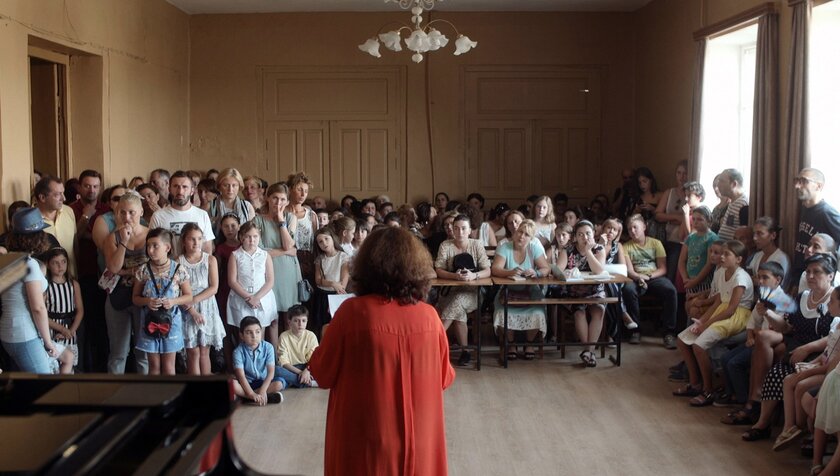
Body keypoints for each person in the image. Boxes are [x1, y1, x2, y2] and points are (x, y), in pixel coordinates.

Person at [309, 226, 455, 476]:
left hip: (367, 435)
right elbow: (445, 377)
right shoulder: (430, 317)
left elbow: (322, 373)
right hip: (419, 437)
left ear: (365, 267)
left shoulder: (351, 313)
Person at [743, 253, 838, 441]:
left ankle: (803, 431)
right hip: (796, 350)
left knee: (792, 377)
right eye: (808, 271)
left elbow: (834, 337)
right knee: (776, 374)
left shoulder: (835, 300)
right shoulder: (802, 297)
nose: (810, 276)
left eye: (816, 272)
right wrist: (768, 314)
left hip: (821, 353)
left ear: (830, 275)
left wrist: (808, 348)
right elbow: (786, 326)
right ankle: (764, 424)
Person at [673, 240, 753, 406]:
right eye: (721, 253)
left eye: (727, 254)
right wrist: (702, 321)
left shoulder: (740, 277)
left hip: (737, 316)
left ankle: (708, 391)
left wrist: (707, 324)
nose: (722, 257)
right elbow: (719, 301)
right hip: (721, 312)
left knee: (699, 345)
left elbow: (731, 309)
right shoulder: (722, 272)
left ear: (738, 259)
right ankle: (695, 384)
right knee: (682, 340)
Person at [1, 208, 74, 374]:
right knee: (44, 387)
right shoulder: (29, 264)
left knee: (67, 356)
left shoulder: (8, 260)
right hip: (24, 334)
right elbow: (38, 308)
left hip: (9, 330)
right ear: (37, 236)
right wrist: (48, 342)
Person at [719, 262, 796, 419]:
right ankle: (732, 394)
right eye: (759, 277)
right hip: (756, 339)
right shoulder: (764, 296)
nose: (760, 281)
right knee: (725, 358)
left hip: (768, 342)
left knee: (735, 364)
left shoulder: (784, 301)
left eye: (765, 278)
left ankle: (746, 402)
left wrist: (759, 331)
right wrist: (750, 336)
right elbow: (753, 321)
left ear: (778, 280)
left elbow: (780, 329)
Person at [772, 287, 840, 452]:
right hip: (823, 366)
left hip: (830, 373)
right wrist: (812, 363)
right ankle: (789, 427)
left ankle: (801, 427)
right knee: (788, 380)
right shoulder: (836, 323)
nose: (828, 305)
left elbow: (832, 364)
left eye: (832, 302)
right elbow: (826, 352)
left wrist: (809, 370)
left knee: (801, 385)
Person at [133, 228, 192, 375]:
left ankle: (170, 397)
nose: (150, 250)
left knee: (169, 366)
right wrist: (147, 301)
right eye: (148, 246)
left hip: (171, 321)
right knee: (153, 366)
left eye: (155, 246)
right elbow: (135, 298)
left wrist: (173, 301)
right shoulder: (143, 270)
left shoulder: (179, 269)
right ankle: (154, 396)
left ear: (167, 247)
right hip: (149, 321)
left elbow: (188, 296)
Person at [435, 214, 491, 366]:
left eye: (463, 228)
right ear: (452, 230)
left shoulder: (476, 244)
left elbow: (488, 270)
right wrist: (455, 276)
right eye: (456, 228)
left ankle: (434, 337)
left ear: (470, 230)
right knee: (458, 308)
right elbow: (438, 269)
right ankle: (465, 351)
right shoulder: (445, 245)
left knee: (458, 301)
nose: (460, 232)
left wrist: (474, 275)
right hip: (449, 290)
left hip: (473, 292)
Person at [491, 220, 550, 361]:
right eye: (520, 232)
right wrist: (510, 272)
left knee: (537, 312)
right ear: (515, 232)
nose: (521, 236)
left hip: (530, 291)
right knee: (502, 312)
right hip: (507, 291)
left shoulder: (534, 248)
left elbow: (546, 268)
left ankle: (528, 344)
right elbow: (495, 269)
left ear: (531, 238)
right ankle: (511, 344)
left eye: (526, 234)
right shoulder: (504, 247)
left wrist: (537, 273)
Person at [622, 213, 679, 348]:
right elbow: (629, 270)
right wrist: (638, 277)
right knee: (628, 290)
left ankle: (669, 332)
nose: (633, 231)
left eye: (635, 227)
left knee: (670, 290)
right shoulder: (626, 246)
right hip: (635, 277)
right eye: (630, 229)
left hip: (654, 277)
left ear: (644, 227)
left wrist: (648, 277)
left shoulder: (655, 243)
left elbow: (663, 269)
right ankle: (635, 330)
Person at [557, 220, 608, 366]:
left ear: (593, 234)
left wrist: (588, 252)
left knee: (598, 310)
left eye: (588, 234)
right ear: (575, 237)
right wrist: (565, 272)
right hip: (574, 291)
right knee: (579, 312)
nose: (584, 238)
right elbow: (558, 271)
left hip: (594, 290)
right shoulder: (567, 250)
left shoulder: (599, 249)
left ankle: (588, 351)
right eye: (580, 234)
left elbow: (598, 270)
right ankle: (589, 351)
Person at [252, 183, 299, 339]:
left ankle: (289, 357)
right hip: (268, 271)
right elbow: (260, 252)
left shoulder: (291, 218)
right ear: (267, 198)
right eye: (275, 198)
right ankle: (274, 358)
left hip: (288, 272)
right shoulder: (258, 220)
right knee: (272, 318)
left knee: (289, 317)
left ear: (287, 202)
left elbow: (288, 243)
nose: (278, 203)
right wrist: (286, 251)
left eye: (282, 199)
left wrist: (281, 222)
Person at [178, 223, 225, 375]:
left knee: (205, 352)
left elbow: (214, 288)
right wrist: (192, 310)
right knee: (193, 353)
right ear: (184, 241)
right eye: (192, 239)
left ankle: (206, 389)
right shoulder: (178, 261)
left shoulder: (210, 260)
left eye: (199, 239)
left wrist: (195, 300)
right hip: (187, 309)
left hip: (206, 306)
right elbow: (178, 291)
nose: (196, 243)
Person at [227, 222, 278, 344]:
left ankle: (261, 361)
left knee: (260, 334)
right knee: (244, 334)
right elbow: (232, 281)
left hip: (262, 299)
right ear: (241, 238)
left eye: (255, 236)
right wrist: (248, 297)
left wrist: (257, 298)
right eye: (248, 236)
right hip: (242, 298)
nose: (252, 240)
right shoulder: (235, 255)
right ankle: (244, 362)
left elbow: (270, 280)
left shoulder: (265, 255)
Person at [150, 171, 215, 257]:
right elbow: (151, 246)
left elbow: (207, 248)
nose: (180, 191)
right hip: (168, 268)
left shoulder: (202, 215)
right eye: (176, 186)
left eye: (185, 187)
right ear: (169, 189)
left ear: (192, 191)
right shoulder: (158, 216)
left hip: (195, 268)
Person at [793, 168, 840, 281]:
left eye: (804, 181)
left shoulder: (827, 212)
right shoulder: (804, 209)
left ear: (819, 186)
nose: (797, 186)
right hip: (802, 272)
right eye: (797, 181)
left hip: (818, 276)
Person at [231, 316, 285, 405]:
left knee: (279, 383)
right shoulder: (238, 351)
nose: (254, 336)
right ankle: (255, 397)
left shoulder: (268, 347)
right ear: (242, 335)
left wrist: (263, 390)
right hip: (247, 384)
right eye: (249, 333)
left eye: (257, 332)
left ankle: (246, 398)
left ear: (261, 332)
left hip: (263, 383)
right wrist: (251, 393)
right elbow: (241, 376)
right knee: (232, 384)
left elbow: (271, 372)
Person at [44, 247, 83, 370]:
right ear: (48, 265)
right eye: (55, 262)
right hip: (52, 329)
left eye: (63, 261)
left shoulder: (73, 284)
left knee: (69, 364)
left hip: (70, 329)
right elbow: (43, 314)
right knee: (53, 364)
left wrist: (70, 330)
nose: (60, 266)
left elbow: (80, 311)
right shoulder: (46, 285)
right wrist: (61, 329)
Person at [33, 176, 77, 275]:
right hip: (44, 283)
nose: (64, 198)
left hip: (70, 278)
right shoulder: (29, 221)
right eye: (58, 194)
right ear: (42, 197)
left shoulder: (68, 211)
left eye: (63, 193)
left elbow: (75, 245)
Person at [215, 213, 241, 371]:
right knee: (226, 330)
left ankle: (243, 367)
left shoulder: (245, 245)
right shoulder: (220, 248)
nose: (230, 229)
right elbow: (217, 271)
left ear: (238, 226)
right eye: (226, 226)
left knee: (241, 330)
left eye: (233, 225)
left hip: (242, 291)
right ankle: (231, 368)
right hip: (224, 291)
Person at [655, 160, 690, 281]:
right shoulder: (669, 192)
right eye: (679, 173)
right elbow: (658, 214)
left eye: (685, 173)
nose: (682, 177)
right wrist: (675, 217)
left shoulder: (692, 194)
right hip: (669, 239)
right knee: (670, 273)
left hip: (686, 240)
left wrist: (683, 220)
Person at [313, 227, 350, 336]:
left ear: (333, 238)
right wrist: (332, 283)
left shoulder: (343, 257)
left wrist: (337, 288)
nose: (324, 243)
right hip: (322, 295)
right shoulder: (319, 259)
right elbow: (318, 280)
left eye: (326, 239)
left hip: (337, 295)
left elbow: (343, 282)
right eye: (320, 241)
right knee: (323, 326)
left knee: (336, 325)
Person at [287, 172, 319, 285]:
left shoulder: (311, 215)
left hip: (307, 261)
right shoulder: (282, 213)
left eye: (306, 191)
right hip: (287, 258)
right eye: (299, 189)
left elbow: (315, 241)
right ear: (290, 189)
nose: (303, 194)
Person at [276, 305, 319, 388]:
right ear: (289, 322)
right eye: (296, 321)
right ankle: (310, 383)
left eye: (303, 321)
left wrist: (307, 371)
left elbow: (314, 358)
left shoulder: (311, 335)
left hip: (308, 367)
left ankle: (294, 381)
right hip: (292, 368)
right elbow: (283, 361)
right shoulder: (284, 336)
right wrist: (300, 373)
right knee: (276, 370)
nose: (300, 324)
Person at [208, 168, 256, 234]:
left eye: (234, 185)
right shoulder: (210, 206)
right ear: (219, 186)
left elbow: (253, 232)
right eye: (226, 185)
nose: (230, 189)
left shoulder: (247, 206)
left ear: (239, 186)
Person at [747, 216, 790, 285]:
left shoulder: (780, 258)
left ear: (773, 235)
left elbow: (775, 285)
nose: (754, 238)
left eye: (760, 233)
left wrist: (755, 280)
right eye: (754, 234)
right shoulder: (757, 256)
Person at [716, 168, 749, 241]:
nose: (718, 185)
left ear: (734, 184)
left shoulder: (743, 204)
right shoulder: (732, 201)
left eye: (721, 181)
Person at [632, 167, 664, 241]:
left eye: (644, 181)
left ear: (651, 180)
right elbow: (631, 218)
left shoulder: (660, 195)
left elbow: (664, 215)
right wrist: (636, 211)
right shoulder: (638, 197)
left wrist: (652, 209)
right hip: (641, 231)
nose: (642, 185)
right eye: (639, 183)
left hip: (656, 231)